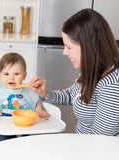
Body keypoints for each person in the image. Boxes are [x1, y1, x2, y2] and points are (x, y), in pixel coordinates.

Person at [30, 8, 119, 136]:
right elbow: (71, 96)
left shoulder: (111, 86)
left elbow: (100, 141)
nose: (64, 52)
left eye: (69, 47)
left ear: (88, 46)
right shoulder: (93, 70)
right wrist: (45, 93)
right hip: (81, 145)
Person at [0, 53, 50, 143]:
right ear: (0, 75)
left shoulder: (28, 91)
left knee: (31, 140)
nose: (11, 78)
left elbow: (36, 101)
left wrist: (38, 109)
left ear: (24, 76)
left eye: (16, 74)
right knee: (1, 141)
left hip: (24, 125)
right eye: (6, 74)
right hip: (3, 127)